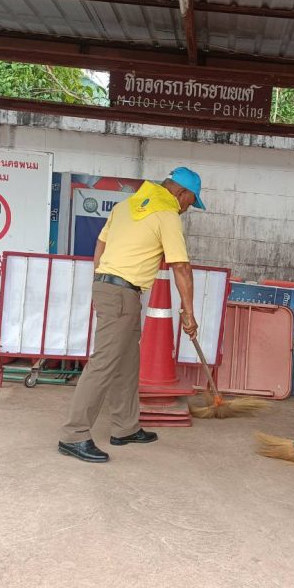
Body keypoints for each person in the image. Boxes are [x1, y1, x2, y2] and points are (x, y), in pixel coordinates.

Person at [58, 167, 204, 463]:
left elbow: (101, 243)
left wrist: (99, 280)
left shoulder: (126, 205)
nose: (188, 209)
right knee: (103, 363)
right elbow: (180, 267)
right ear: (181, 193)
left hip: (115, 289)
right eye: (190, 202)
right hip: (121, 293)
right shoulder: (167, 213)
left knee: (127, 363)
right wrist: (189, 314)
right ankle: (74, 434)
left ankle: (125, 427)